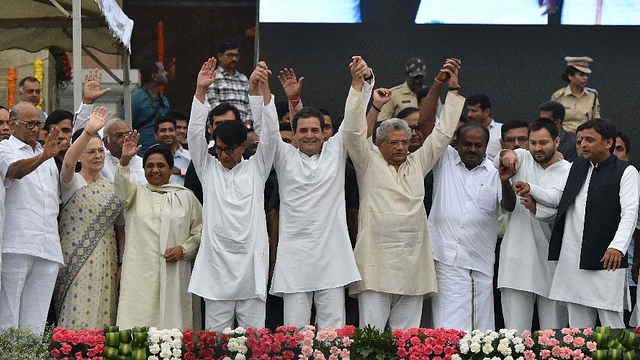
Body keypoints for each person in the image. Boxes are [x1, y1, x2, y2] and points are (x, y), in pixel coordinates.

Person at [344, 57, 464, 331]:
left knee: (407, 340)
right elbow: (353, 132)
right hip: (375, 264)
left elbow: (444, 133)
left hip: (412, 265)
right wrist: (358, 88)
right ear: (379, 143)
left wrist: (453, 91)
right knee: (371, 339)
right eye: (394, 143)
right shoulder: (368, 163)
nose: (400, 148)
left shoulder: (417, 163)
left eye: (405, 142)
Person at [255, 59, 373, 331]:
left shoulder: (336, 151)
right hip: (295, 259)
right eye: (303, 131)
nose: (309, 135)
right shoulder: (283, 157)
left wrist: (359, 85)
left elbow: (354, 119)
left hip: (332, 257)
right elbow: (269, 129)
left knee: (332, 333)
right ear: (293, 135)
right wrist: (263, 91)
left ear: (325, 133)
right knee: (295, 334)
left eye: (315, 130)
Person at [514, 118, 638, 328]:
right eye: (580, 140)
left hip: (606, 259)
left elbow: (630, 212)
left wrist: (617, 247)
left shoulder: (626, 172)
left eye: (590, 140)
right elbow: (558, 196)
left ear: (608, 143)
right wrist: (530, 188)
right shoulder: (578, 166)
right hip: (572, 259)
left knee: (612, 324)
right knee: (578, 330)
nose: (583, 145)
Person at [187, 58, 277, 331]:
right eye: (219, 149)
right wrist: (201, 91)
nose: (223, 155)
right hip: (217, 269)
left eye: (228, 149)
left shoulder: (257, 168)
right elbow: (194, 135)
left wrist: (261, 89)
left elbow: (270, 132)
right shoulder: (208, 167)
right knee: (216, 342)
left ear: (242, 147)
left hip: (250, 266)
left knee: (255, 341)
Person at [115, 135, 202, 330]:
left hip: (175, 271)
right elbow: (121, 186)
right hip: (140, 273)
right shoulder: (134, 194)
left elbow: (201, 230)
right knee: (138, 323)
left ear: (171, 169)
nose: (155, 170)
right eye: (150, 165)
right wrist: (124, 160)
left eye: (161, 165)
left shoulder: (186, 197)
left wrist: (184, 249)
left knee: (174, 324)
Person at [495, 118, 571, 333]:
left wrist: (532, 194)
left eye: (543, 142)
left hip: (553, 264)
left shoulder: (569, 170)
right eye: (533, 142)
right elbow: (499, 159)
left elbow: (556, 201)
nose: (537, 148)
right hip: (516, 262)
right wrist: (505, 155)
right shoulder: (522, 157)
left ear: (557, 141)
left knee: (554, 340)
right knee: (515, 338)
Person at [53, 106, 124, 329]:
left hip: (107, 260)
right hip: (74, 260)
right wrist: (88, 131)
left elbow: (121, 231)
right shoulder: (72, 182)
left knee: (104, 319)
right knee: (74, 318)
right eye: (91, 151)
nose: (97, 156)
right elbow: (67, 162)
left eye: (101, 151)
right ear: (80, 155)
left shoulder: (114, 188)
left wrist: (121, 264)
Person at [428, 120, 502, 332]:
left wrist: (505, 181)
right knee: (444, 327)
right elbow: (426, 126)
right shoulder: (444, 160)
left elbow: (509, 206)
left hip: (476, 264)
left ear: (486, 147)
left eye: (478, 145)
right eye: (466, 144)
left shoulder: (495, 172)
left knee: (477, 332)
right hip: (443, 259)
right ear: (456, 143)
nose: (472, 149)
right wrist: (443, 88)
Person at [0, 102, 66, 334]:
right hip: (17, 243)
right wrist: (45, 155)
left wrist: (45, 153)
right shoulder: (5, 148)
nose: (34, 129)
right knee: (8, 315)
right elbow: (13, 171)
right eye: (29, 124)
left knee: (36, 321)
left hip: (48, 245)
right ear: (12, 124)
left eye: (38, 124)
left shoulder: (44, 150)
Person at [206, 38, 252, 126]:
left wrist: (248, 123)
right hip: (221, 127)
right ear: (220, 56)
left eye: (236, 55)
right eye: (230, 55)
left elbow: (250, 104)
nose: (234, 58)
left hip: (243, 129)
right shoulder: (213, 77)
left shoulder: (243, 79)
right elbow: (213, 104)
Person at [129, 59, 170, 155]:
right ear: (154, 76)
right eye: (162, 71)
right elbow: (125, 126)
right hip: (141, 154)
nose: (166, 73)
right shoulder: (136, 99)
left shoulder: (164, 100)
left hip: (162, 153)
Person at [551, 56, 600, 134]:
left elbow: (597, 120)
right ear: (570, 76)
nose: (585, 78)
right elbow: (553, 122)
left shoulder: (592, 95)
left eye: (586, 75)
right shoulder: (558, 96)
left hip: (585, 136)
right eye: (581, 75)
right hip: (565, 138)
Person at [375, 57, 426, 122]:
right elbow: (383, 120)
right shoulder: (393, 94)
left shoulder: (430, 94)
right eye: (415, 77)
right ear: (406, 76)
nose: (417, 81)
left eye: (420, 77)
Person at [466, 93, 502, 161]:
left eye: (474, 111)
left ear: (486, 112)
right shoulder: (465, 132)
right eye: (469, 110)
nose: (469, 114)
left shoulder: (501, 131)